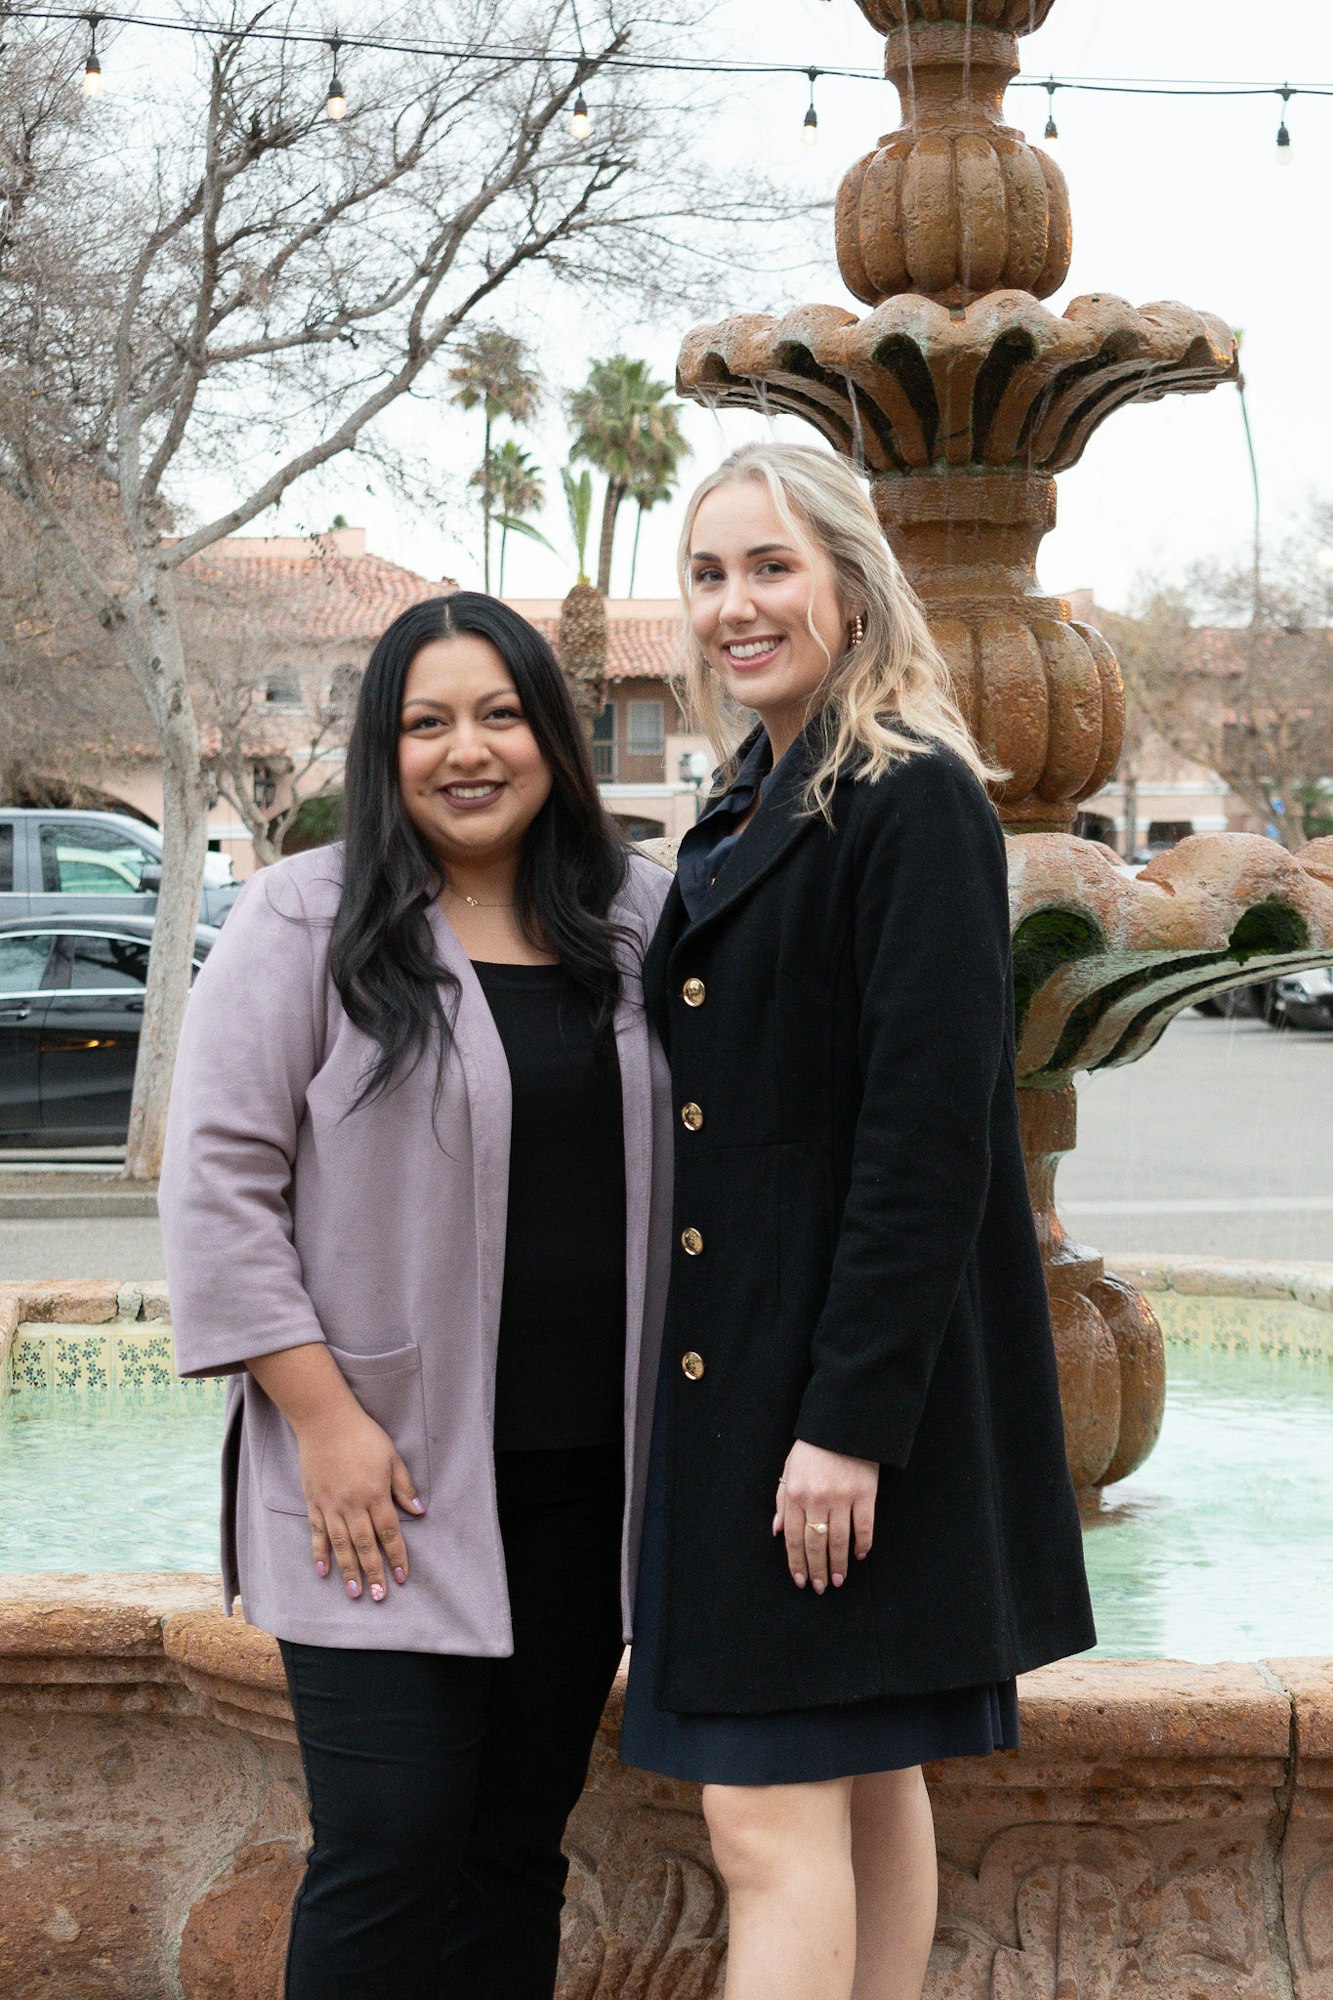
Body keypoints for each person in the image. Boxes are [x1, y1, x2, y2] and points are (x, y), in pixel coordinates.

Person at [619, 444, 1095, 2000]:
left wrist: (846, 1425)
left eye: (768, 567)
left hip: (818, 1404)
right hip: (758, 1382)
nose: (735, 605)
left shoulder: (911, 796)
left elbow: (925, 1143)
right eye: (708, 574)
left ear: (845, 577)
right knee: (869, 1783)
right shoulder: (753, 789)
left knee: (762, 1823)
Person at [160, 593, 673, 2000]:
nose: (467, 750)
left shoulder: (638, 916)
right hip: (379, 1482)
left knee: (515, 1854)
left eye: (499, 715)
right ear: (380, 753)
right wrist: (322, 1420)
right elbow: (216, 1190)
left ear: (552, 737)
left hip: (579, 1486)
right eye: (424, 722)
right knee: (387, 1851)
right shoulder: (302, 915)